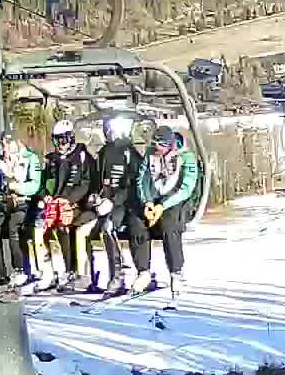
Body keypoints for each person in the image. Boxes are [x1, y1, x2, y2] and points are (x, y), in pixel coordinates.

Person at [126, 125, 199, 297]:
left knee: (169, 224)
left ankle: (176, 271)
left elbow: (186, 188)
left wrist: (163, 206)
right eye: (155, 144)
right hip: (154, 198)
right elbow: (142, 179)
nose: (157, 148)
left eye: (161, 145)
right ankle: (143, 271)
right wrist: (147, 202)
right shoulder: (150, 154)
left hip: (176, 200)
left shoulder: (186, 157)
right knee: (136, 221)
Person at [77, 112, 141, 295]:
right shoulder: (104, 152)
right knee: (80, 227)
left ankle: (117, 274)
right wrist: (93, 197)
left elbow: (133, 185)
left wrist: (113, 201)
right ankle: (84, 275)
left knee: (108, 226)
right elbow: (97, 180)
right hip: (103, 203)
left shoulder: (129, 153)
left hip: (124, 206)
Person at [37, 120, 95, 291]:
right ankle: (49, 272)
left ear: (71, 138)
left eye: (63, 140)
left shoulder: (81, 157)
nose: (60, 144)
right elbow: (44, 183)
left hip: (79, 205)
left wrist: (68, 200)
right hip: (55, 205)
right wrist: (46, 196)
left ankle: (75, 271)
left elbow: (86, 184)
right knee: (41, 226)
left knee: (66, 225)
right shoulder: (52, 160)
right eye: (56, 141)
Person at [0, 133, 41, 286]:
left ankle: (20, 268)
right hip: (6, 203)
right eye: (2, 145)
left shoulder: (29, 158)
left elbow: (35, 185)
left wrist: (17, 188)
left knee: (14, 224)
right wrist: (2, 197)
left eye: (7, 145)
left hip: (25, 202)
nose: (4, 149)